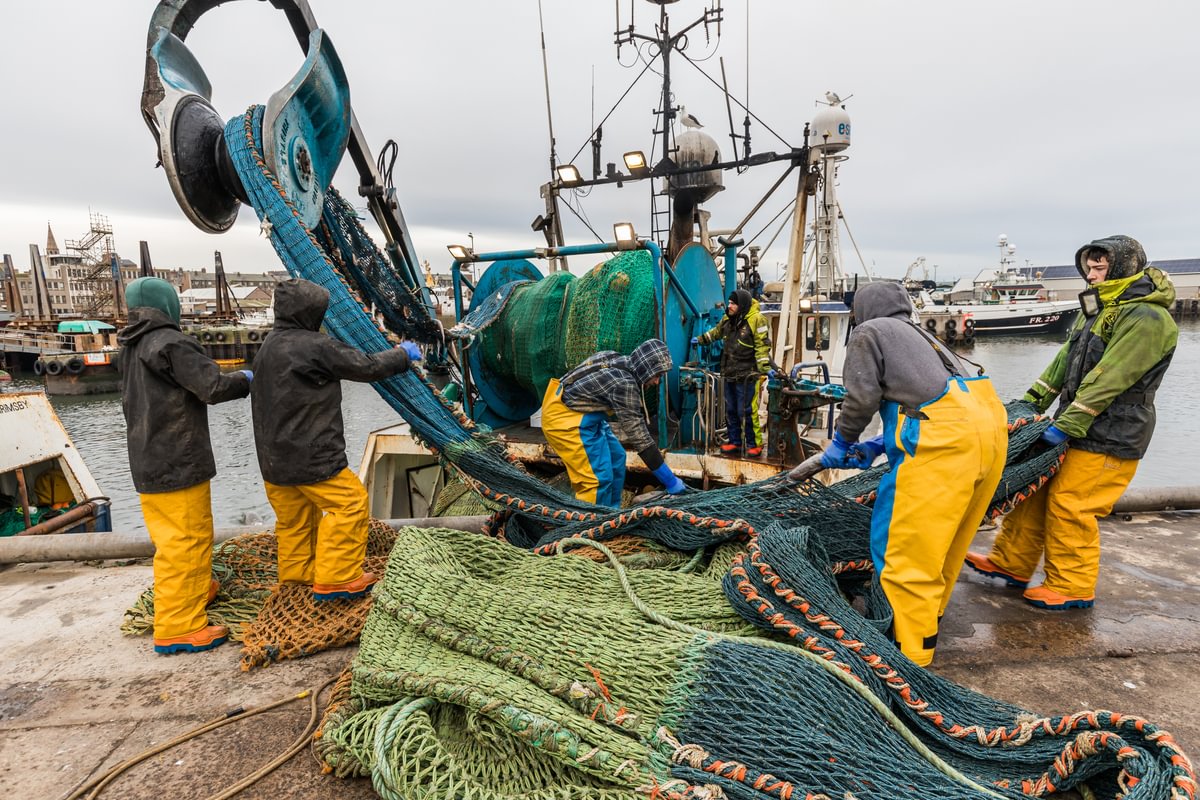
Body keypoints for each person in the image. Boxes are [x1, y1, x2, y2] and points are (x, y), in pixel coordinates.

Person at [966, 236, 1177, 610]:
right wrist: (1032, 402)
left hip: (1115, 433)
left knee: (1071, 505)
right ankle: (1010, 563)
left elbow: (1112, 376)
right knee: (1036, 491)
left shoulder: (1147, 317)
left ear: (1125, 267)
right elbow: (1064, 360)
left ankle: (1072, 586)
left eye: (1100, 268)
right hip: (1080, 425)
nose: (1092, 276)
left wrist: (1069, 422)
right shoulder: (1097, 309)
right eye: (1089, 268)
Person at [825, 281, 1007, 667]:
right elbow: (922, 396)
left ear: (861, 311)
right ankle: (929, 623)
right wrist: (878, 445)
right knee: (944, 547)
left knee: (903, 554)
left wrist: (842, 441)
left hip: (943, 448)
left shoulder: (869, 332)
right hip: (987, 437)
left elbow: (861, 397)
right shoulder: (923, 335)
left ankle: (909, 662)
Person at [250, 279, 419, 601]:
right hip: (313, 457)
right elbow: (365, 366)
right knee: (349, 506)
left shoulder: (268, 347)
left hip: (273, 462)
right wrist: (402, 355)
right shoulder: (316, 346)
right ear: (312, 312)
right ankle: (337, 577)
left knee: (296, 520)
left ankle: (298, 575)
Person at [118, 277, 252, 654]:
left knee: (171, 538)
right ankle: (178, 626)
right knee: (187, 541)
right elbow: (211, 387)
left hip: (146, 460)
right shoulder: (172, 343)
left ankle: (193, 592)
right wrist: (245, 380)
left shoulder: (131, 346)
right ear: (168, 304)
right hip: (178, 459)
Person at [541, 338, 686, 507]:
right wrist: (670, 481)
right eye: (657, 375)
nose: (656, 382)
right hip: (564, 421)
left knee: (617, 457)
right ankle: (590, 526)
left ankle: (610, 513)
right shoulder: (625, 385)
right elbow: (640, 439)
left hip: (583, 413)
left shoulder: (615, 357)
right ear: (646, 368)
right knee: (596, 479)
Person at [692, 288, 772, 456]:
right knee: (731, 410)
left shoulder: (757, 320)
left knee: (747, 411)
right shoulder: (728, 320)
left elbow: (762, 346)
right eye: (729, 303)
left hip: (747, 375)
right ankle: (735, 442)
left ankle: (754, 444)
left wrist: (764, 369)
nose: (730, 306)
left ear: (741, 305)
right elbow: (716, 333)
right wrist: (700, 340)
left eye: (733, 303)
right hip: (729, 372)